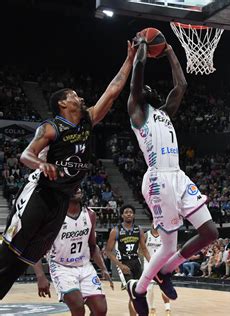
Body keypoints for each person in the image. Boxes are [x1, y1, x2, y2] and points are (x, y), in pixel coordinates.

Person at [0, 42, 135, 299]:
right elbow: (25, 155)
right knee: (8, 256)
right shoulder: (51, 127)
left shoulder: (88, 119)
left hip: (60, 201)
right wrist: (43, 164)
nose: (80, 97)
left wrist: (129, 59)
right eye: (74, 95)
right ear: (63, 103)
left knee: (20, 263)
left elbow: (114, 90)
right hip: (40, 193)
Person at [125, 34, 218, 315]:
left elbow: (182, 85)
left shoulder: (164, 113)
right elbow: (138, 76)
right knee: (167, 246)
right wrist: (143, 45)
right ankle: (138, 289)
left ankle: (165, 272)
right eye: (146, 88)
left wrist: (168, 51)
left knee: (210, 232)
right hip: (157, 179)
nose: (150, 88)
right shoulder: (137, 111)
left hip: (178, 176)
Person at [33, 189, 113, 316]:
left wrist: (103, 268)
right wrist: (40, 276)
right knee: (78, 306)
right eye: (73, 186)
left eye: (79, 186)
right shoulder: (53, 216)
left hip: (85, 266)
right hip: (61, 267)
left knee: (100, 310)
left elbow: (92, 245)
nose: (78, 189)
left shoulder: (90, 214)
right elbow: (35, 248)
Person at [105, 205, 150, 316]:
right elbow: (108, 251)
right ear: (122, 215)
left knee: (141, 294)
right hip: (124, 263)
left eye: (130, 212)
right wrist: (120, 265)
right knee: (133, 294)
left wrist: (153, 263)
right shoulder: (116, 231)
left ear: (133, 215)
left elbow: (144, 249)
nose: (129, 214)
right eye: (126, 212)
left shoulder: (138, 229)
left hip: (136, 262)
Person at [144, 226, 171, 316]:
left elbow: (168, 250)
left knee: (164, 286)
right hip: (148, 263)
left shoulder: (164, 236)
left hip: (161, 263)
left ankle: (168, 309)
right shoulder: (146, 235)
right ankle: (152, 308)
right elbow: (141, 249)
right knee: (150, 288)